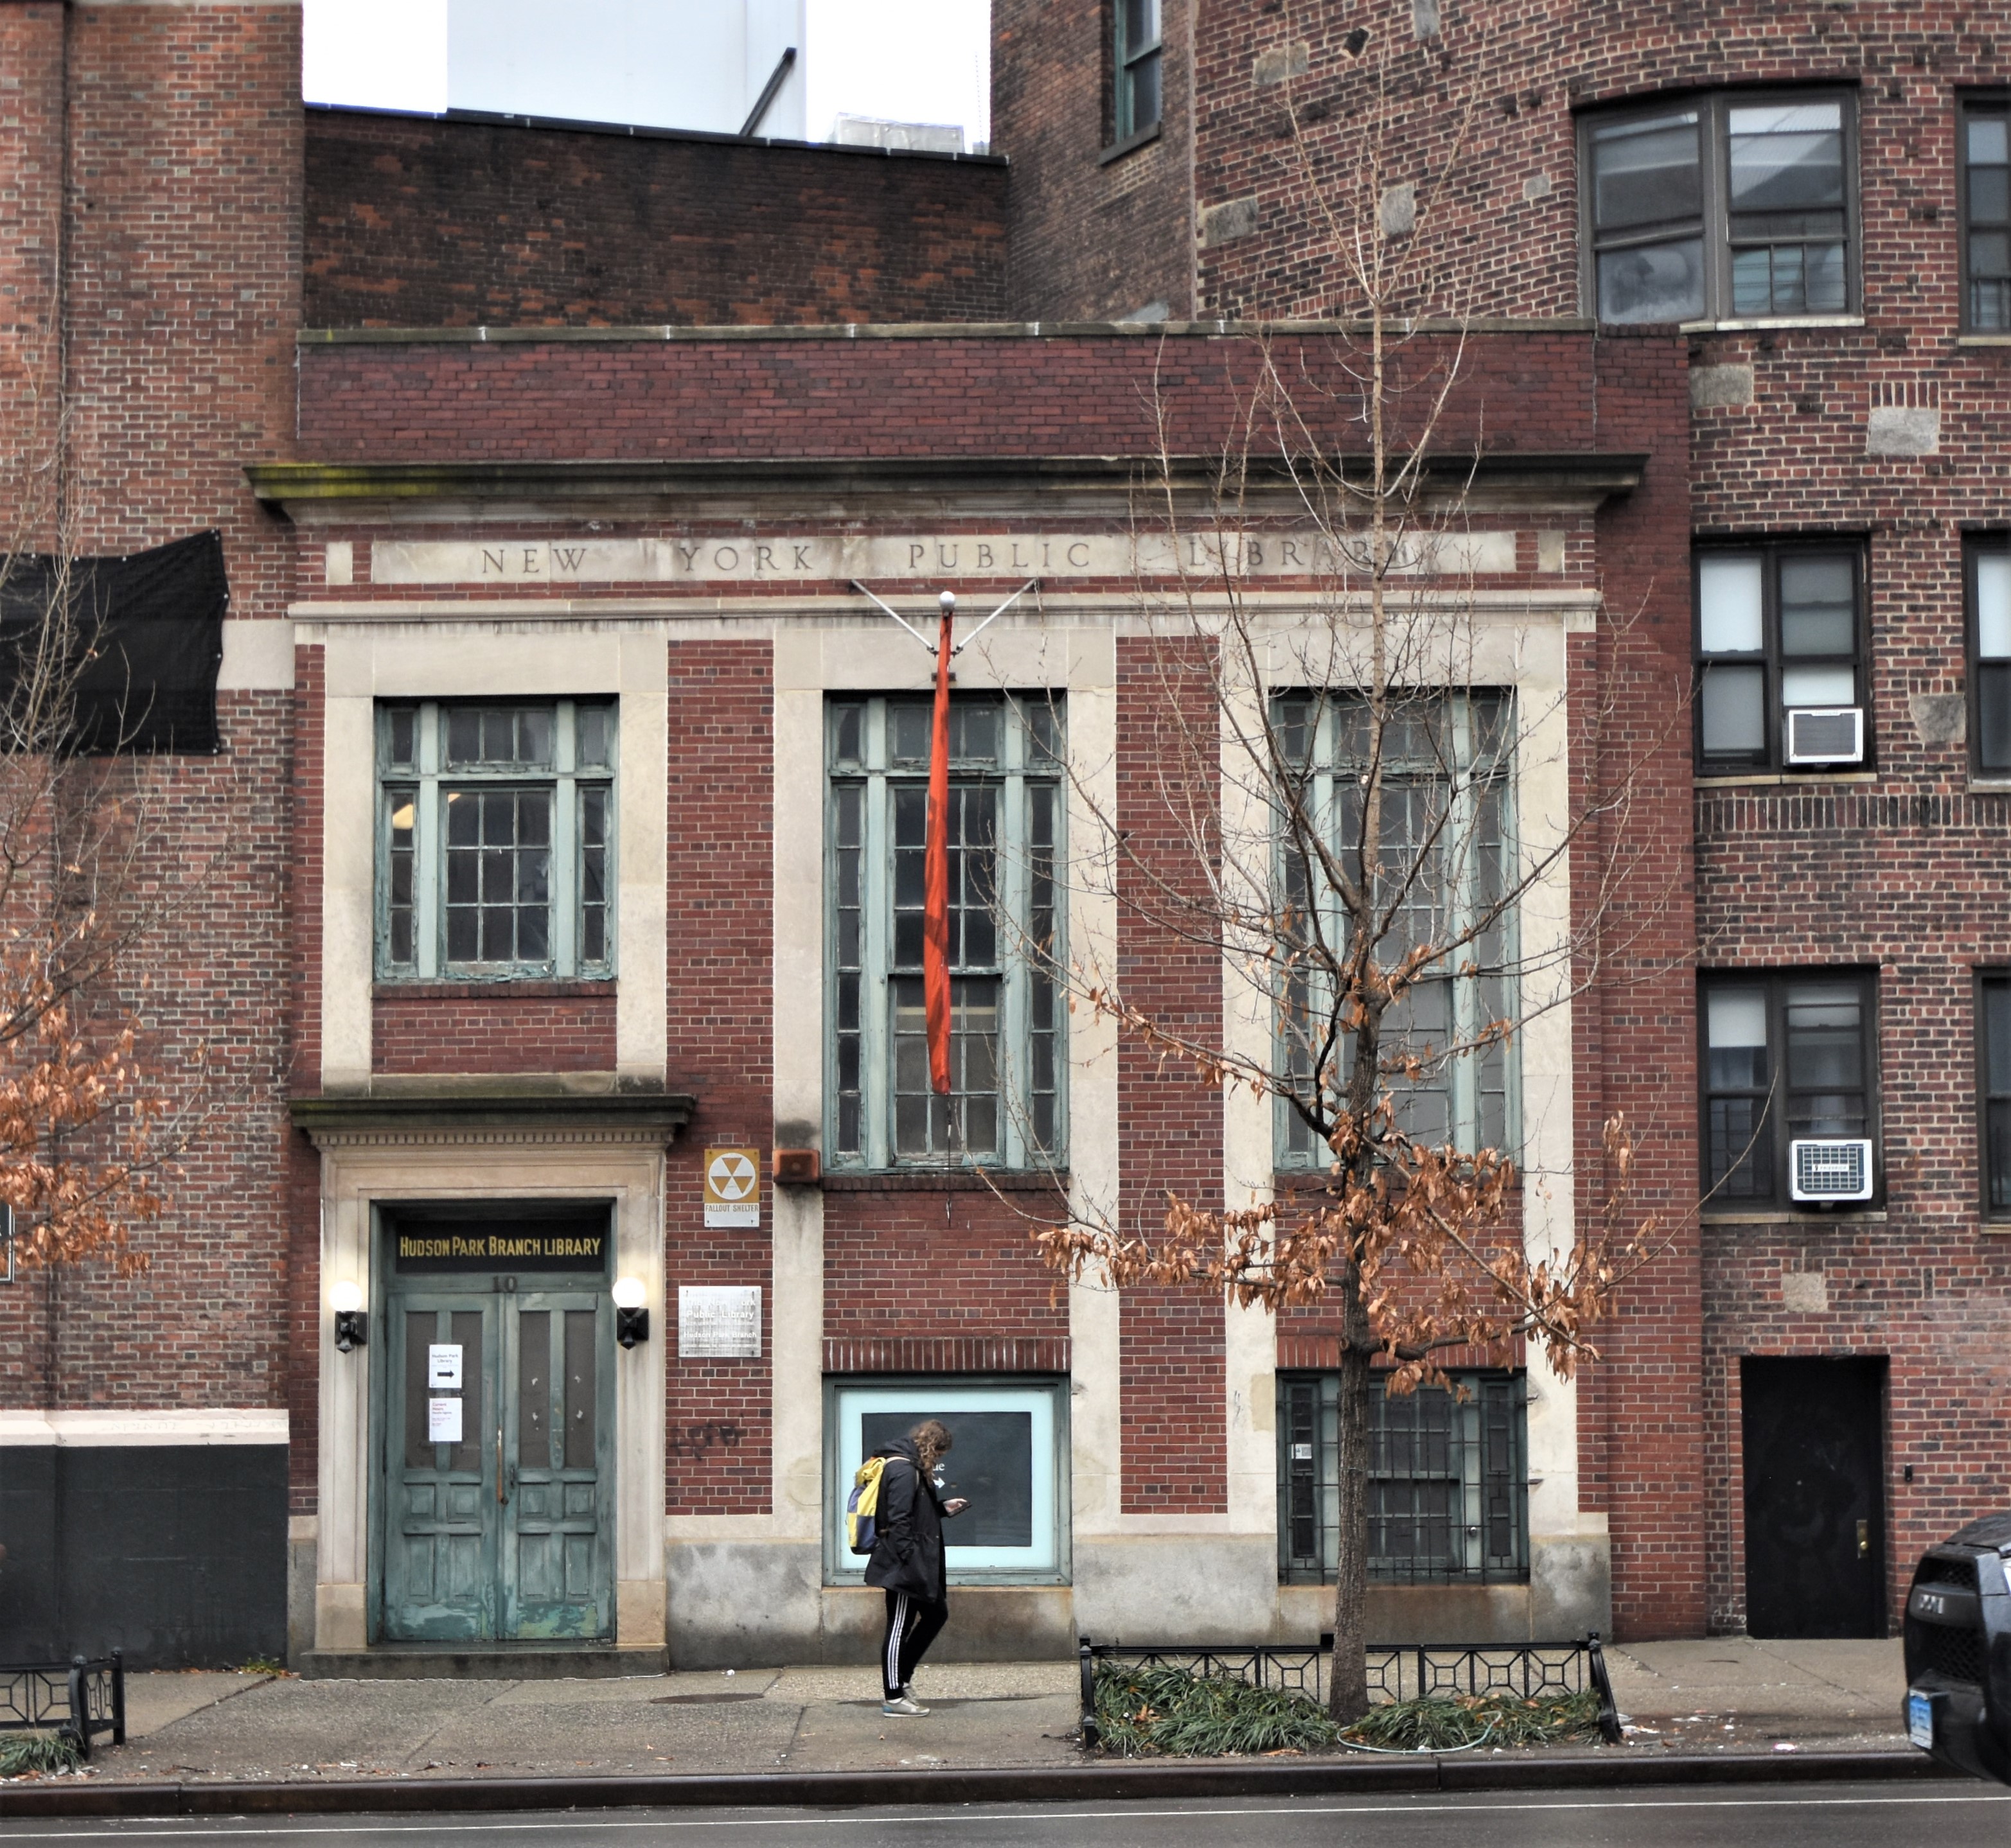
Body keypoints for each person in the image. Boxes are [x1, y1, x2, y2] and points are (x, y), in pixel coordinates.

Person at [863, 1417, 968, 1716]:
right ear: (933, 1447)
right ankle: (894, 1697)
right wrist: (909, 1559)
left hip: (913, 1560)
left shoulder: (911, 1468)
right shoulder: (903, 1469)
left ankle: (902, 1678)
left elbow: (913, 1512)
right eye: (940, 1454)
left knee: (937, 1614)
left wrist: (941, 1509)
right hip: (904, 1564)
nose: (939, 1460)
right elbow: (898, 1519)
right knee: (899, 1626)